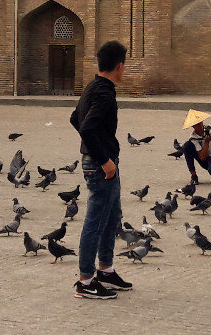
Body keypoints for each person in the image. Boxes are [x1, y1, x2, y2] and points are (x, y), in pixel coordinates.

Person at [69, 40, 132, 300]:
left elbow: (75, 118)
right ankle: (86, 280)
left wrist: (95, 146)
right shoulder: (104, 92)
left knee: (110, 218)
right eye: (124, 66)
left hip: (102, 161)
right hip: (101, 165)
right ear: (119, 66)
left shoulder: (95, 85)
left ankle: (105, 270)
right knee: (96, 222)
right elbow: (86, 126)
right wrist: (103, 157)